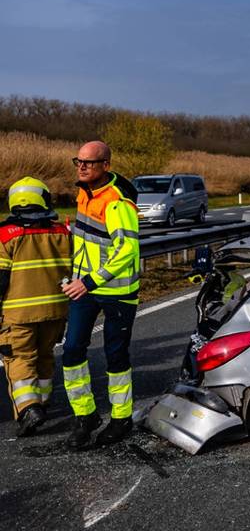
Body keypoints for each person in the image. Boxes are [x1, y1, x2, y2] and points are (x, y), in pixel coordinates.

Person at [61, 141, 140, 449]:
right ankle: (86, 416)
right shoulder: (84, 192)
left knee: (116, 355)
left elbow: (126, 250)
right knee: (71, 352)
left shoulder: (118, 202)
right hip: (85, 288)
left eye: (89, 163)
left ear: (106, 165)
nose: (81, 167)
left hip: (116, 292)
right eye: (78, 161)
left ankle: (121, 419)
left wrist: (89, 281)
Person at [0, 177, 72, 436]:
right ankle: (42, 402)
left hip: (18, 314)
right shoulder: (63, 232)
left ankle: (29, 408)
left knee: (19, 359)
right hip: (55, 312)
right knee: (44, 356)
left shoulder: (5, 235)